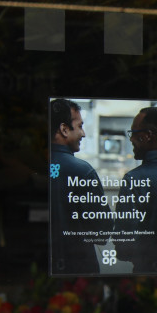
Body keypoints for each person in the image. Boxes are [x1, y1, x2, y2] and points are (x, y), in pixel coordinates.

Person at [48, 98, 110, 275]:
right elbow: (102, 231)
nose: (83, 134)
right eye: (80, 126)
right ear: (64, 129)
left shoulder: (31, 167)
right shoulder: (83, 171)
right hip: (79, 270)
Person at [113, 106, 157, 274]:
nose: (131, 140)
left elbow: (124, 243)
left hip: (147, 270)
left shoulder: (134, 179)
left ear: (148, 135)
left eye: (133, 133)